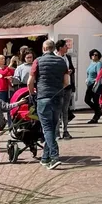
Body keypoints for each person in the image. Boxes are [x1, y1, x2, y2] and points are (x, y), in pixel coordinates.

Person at [27, 39, 68, 170]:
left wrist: (32, 93)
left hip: (43, 97)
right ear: (53, 48)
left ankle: (54, 156)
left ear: (44, 48)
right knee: (52, 127)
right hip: (58, 97)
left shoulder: (38, 61)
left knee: (47, 128)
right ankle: (45, 158)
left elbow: (30, 81)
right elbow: (67, 82)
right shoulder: (61, 61)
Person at [55, 39, 76, 140]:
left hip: (67, 86)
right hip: (58, 87)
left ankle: (65, 131)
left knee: (65, 110)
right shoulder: (54, 57)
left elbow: (72, 69)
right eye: (65, 46)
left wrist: (70, 71)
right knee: (57, 110)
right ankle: (56, 132)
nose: (67, 48)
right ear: (60, 48)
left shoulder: (68, 57)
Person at [85, 49, 102, 123]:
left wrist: (96, 82)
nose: (94, 56)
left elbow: (99, 74)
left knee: (95, 100)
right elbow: (88, 73)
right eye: (93, 54)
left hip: (95, 84)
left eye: (96, 55)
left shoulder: (98, 64)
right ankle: (98, 111)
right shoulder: (91, 63)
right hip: (89, 84)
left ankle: (96, 115)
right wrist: (87, 79)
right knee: (87, 100)